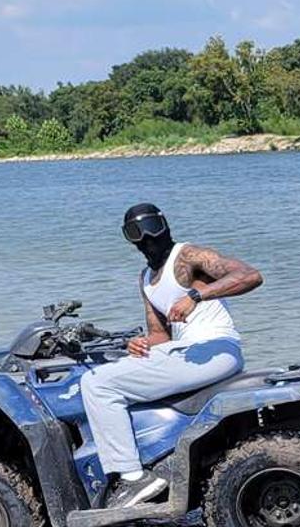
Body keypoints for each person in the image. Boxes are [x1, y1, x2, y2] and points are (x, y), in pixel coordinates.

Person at [80, 203, 263, 508]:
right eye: (136, 232)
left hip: (215, 348)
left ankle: (133, 477)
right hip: (182, 351)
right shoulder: (146, 280)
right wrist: (140, 344)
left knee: (96, 384)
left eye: (153, 227)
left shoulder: (189, 257)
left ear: (164, 225)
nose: (148, 238)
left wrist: (196, 295)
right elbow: (160, 336)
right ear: (131, 239)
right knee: (114, 368)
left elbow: (251, 275)